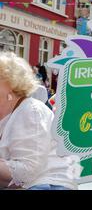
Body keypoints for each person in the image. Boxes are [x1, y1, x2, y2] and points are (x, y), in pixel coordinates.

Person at [0, 51, 80, 190]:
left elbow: (27, 171)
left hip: (49, 185)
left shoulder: (30, 110)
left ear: (11, 83)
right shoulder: (10, 112)